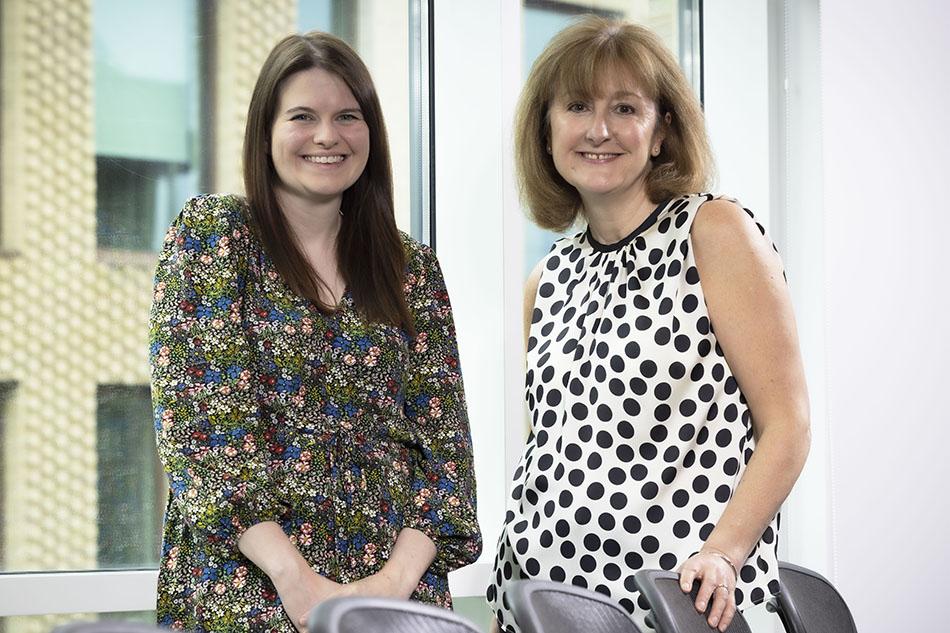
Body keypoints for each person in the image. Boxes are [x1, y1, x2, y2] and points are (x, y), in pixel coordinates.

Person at [149, 31, 481, 632]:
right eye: (303, 116)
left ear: (370, 134)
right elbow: (204, 440)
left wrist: (388, 588)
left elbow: (445, 457)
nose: (328, 136)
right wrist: (297, 582)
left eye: (347, 117)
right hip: (250, 588)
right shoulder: (213, 240)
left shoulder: (412, 269)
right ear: (267, 132)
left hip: (398, 597)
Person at [487, 16, 810, 633]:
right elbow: (550, 453)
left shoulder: (714, 234)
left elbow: (788, 425)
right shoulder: (545, 279)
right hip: (538, 598)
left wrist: (725, 552)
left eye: (626, 108)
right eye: (578, 106)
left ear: (661, 130)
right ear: (547, 129)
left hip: (677, 605)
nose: (600, 129)